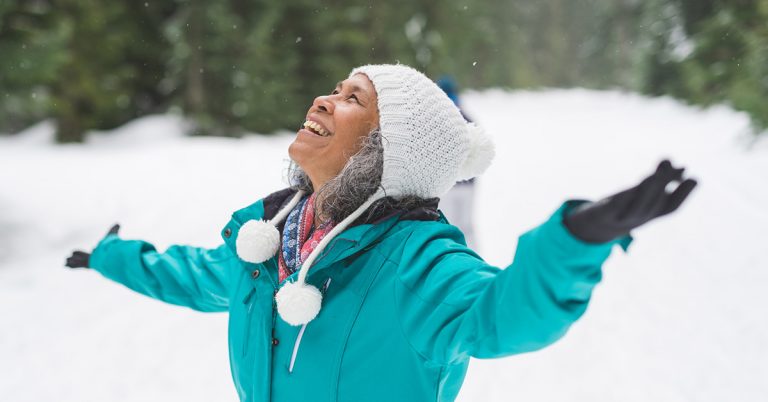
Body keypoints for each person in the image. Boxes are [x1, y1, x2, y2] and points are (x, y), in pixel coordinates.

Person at [65, 64, 697, 402]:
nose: (322, 100)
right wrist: (111, 256)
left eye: (351, 100)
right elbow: (196, 275)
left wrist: (572, 244)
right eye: (335, 89)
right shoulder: (270, 233)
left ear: (384, 151)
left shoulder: (417, 262)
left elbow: (501, 317)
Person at [435, 75, 478, 248]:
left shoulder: (438, 118)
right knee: (465, 225)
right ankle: (473, 258)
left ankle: (455, 256)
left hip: (449, 184)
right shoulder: (467, 117)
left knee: (450, 224)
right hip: (467, 183)